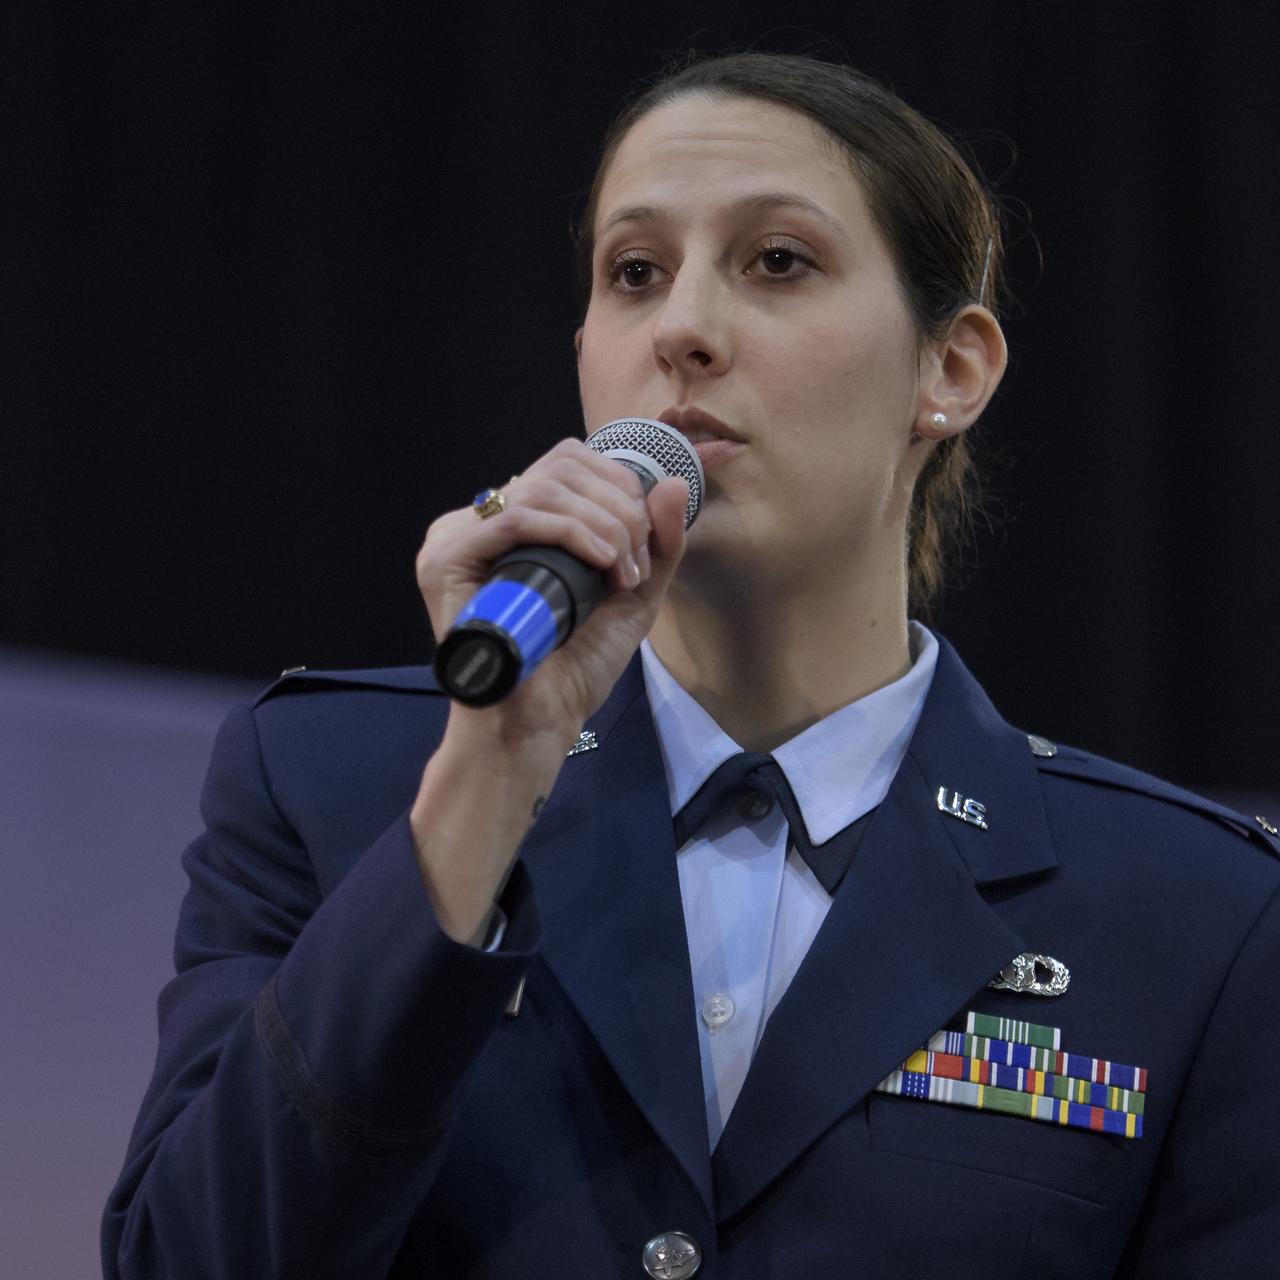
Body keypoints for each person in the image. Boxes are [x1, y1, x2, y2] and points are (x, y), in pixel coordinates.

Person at [103, 52, 1280, 1278]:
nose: (682, 329)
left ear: (951, 368)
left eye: (777, 260)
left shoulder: (1194, 914)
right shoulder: (328, 784)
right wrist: (486, 779)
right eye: (635, 272)